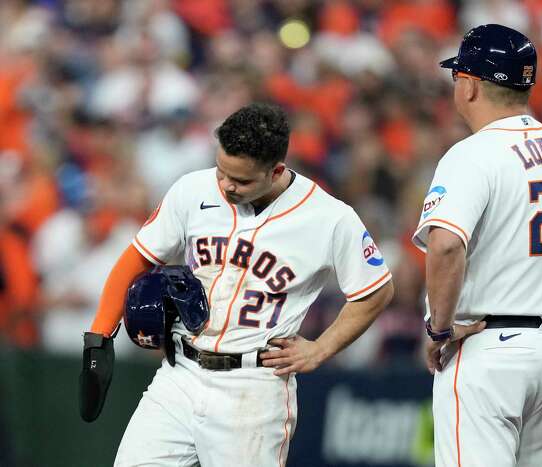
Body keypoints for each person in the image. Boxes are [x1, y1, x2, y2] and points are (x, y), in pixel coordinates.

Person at [79, 102, 394, 466]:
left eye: (241, 180)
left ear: (276, 170)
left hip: (253, 389)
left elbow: (376, 290)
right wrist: (100, 333)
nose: (226, 185)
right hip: (179, 374)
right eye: (221, 171)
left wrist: (320, 348)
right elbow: (140, 255)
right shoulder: (192, 189)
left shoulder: (329, 218)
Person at [412, 24, 542, 467]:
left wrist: (438, 327)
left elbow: (447, 245)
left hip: (490, 351)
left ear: (470, 87)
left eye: (458, 78)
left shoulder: (472, 153)